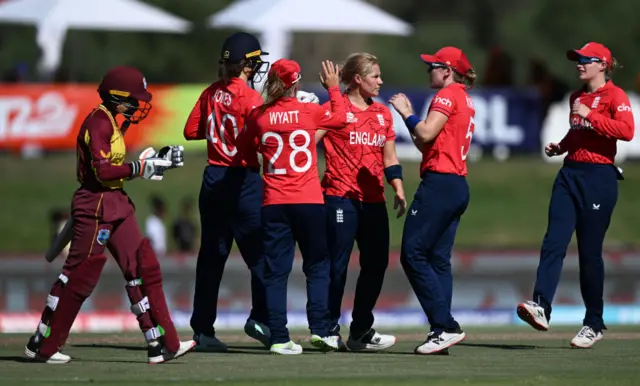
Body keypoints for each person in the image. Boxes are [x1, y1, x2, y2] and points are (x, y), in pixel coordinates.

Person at [24, 66, 195, 364]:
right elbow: (102, 172)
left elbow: (117, 167)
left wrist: (150, 163)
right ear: (117, 98)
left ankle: (161, 343)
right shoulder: (97, 124)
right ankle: (45, 343)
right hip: (95, 206)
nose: (138, 105)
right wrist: (139, 169)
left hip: (116, 202)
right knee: (78, 275)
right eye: (133, 100)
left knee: (141, 267)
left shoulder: (112, 124)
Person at [517, 42, 634, 349]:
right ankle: (541, 305)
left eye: (585, 60)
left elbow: (627, 131)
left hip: (599, 178)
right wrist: (562, 146)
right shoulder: (577, 97)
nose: (579, 64)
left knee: (589, 253)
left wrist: (590, 115)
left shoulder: (615, 96)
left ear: (602, 64)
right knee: (553, 241)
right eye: (578, 60)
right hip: (569, 174)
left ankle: (593, 323)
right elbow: (578, 133)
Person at [237, 58, 348, 355]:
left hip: (274, 201)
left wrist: (264, 149)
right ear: (296, 83)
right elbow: (340, 118)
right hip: (309, 200)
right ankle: (321, 331)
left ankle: (279, 337)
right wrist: (334, 89)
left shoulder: (260, 115)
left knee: (276, 272)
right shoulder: (309, 111)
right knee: (318, 265)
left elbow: (245, 145)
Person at [183, 32, 271, 351]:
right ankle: (262, 318)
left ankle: (202, 331)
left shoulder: (210, 93)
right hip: (243, 181)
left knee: (211, 259)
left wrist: (218, 129)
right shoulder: (251, 99)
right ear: (247, 65)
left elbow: (191, 130)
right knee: (261, 257)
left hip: (213, 178)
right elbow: (264, 142)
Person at [389, 46, 477, 355]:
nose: (429, 71)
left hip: (439, 184)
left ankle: (446, 325)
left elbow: (424, 133)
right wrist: (413, 121)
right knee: (438, 259)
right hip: (456, 184)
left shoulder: (447, 95)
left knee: (412, 253)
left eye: (434, 67)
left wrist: (405, 112)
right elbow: (427, 140)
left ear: (447, 70)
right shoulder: (465, 98)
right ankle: (441, 330)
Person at [315, 52, 405, 352]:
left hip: (374, 200)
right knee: (337, 266)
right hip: (340, 197)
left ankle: (361, 330)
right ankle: (327, 328)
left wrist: (398, 187)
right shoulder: (333, 109)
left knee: (377, 263)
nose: (380, 81)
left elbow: (389, 157)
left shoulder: (383, 114)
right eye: (375, 76)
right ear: (357, 79)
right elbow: (306, 142)